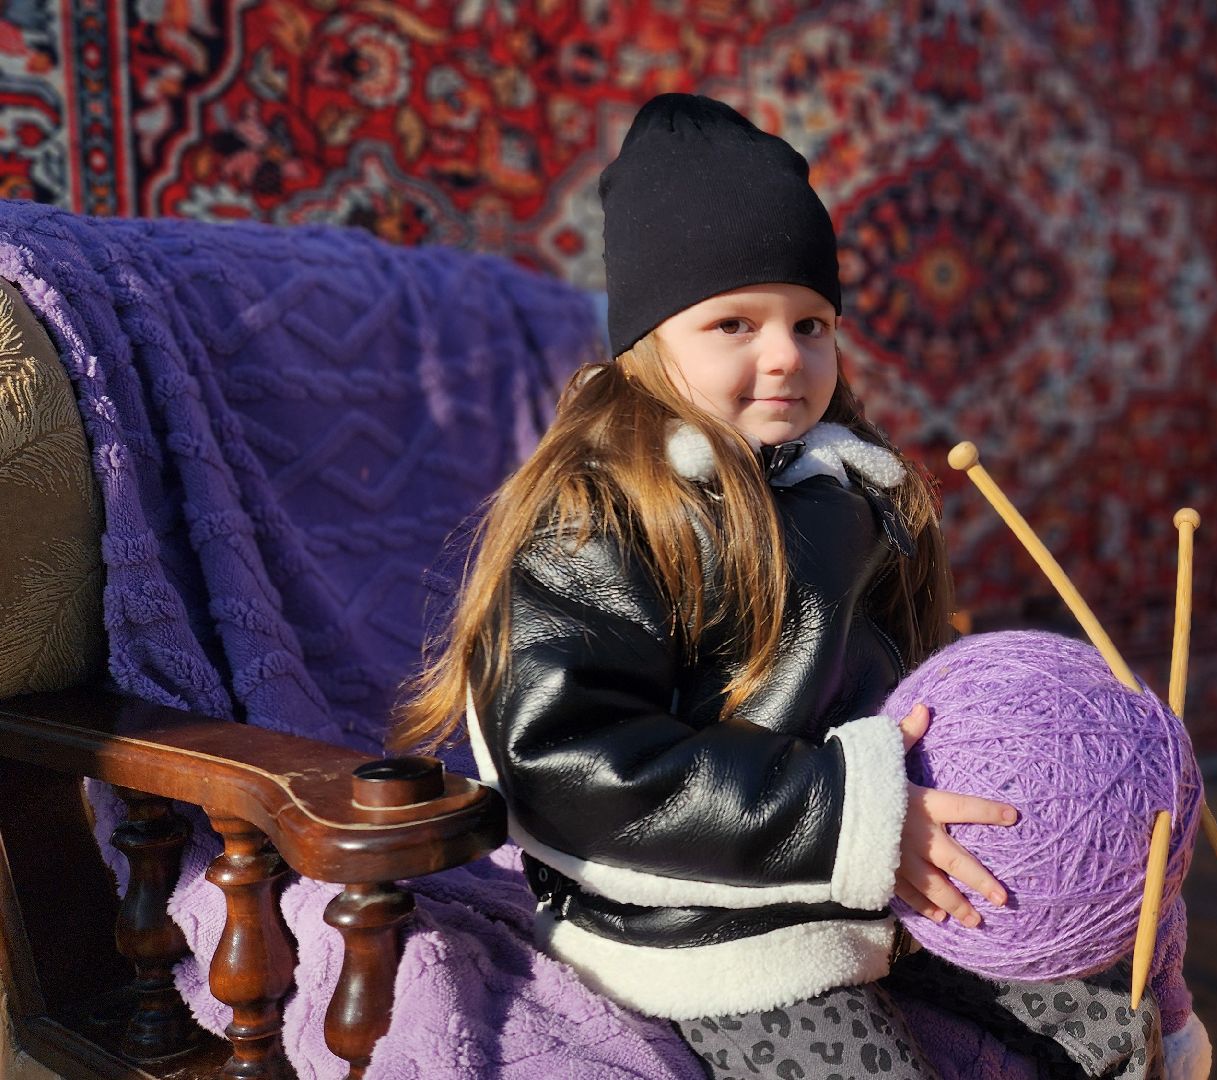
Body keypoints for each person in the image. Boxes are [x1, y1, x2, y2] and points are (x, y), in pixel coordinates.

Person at [394, 94, 1168, 1078]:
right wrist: (848, 816)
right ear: (646, 343)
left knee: (1113, 1025)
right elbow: (569, 759)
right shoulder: (603, 515)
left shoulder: (851, 491)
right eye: (733, 322)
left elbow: (903, 689)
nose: (784, 356)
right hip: (703, 922)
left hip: (875, 883)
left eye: (811, 323)